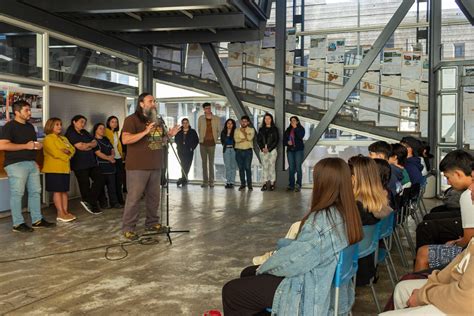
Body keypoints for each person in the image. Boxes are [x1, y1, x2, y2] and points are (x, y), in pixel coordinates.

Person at [222, 158, 363, 315]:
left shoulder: (322, 221)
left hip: (308, 290)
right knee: (248, 273)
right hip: (326, 283)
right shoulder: (348, 213)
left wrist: (265, 267)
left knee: (231, 291)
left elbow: (294, 261)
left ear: (323, 183)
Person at [121, 92, 179, 241]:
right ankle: (128, 228)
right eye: (151, 101)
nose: (154, 103)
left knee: (154, 198)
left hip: (155, 165)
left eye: (155, 101)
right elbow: (125, 140)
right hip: (137, 167)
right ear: (141, 104)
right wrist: (145, 131)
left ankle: (152, 223)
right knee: (134, 199)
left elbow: (158, 141)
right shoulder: (131, 120)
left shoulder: (157, 121)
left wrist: (169, 135)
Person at [0, 100, 56, 232]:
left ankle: (37, 220)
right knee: (17, 194)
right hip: (15, 164)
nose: (30, 112)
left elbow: (32, 144)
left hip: (31, 163)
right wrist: (26, 146)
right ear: (17, 112)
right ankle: (17, 224)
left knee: (36, 192)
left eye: (29, 109)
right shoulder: (9, 126)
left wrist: (37, 147)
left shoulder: (30, 127)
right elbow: (2, 145)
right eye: (26, 110)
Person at [414, 149, 474, 271]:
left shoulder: (468, 196)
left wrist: (454, 244)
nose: (448, 182)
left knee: (423, 253)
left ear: (458, 174)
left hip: (470, 255)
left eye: (447, 177)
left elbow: (469, 241)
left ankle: (423, 285)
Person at [380, 238, 474, 315]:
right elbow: (460, 261)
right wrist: (432, 283)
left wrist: (422, 296)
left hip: (465, 305)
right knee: (402, 288)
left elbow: (466, 299)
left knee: (425, 237)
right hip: (461, 285)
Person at [348, 155, 389, 285]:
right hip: (367, 266)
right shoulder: (379, 203)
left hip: (350, 270)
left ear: (355, 178)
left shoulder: (356, 207)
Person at [65, 115, 104, 214]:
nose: (83, 124)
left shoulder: (84, 132)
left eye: (84, 122)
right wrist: (88, 145)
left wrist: (87, 145)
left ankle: (89, 201)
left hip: (91, 162)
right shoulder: (70, 133)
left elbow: (95, 142)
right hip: (79, 164)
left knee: (100, 178)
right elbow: (80, 147)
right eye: (81, 122)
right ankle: (92, 206)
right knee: (84, 185)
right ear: (74, 122)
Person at [42, 117, 76, 222]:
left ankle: (65, 212)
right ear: (50, 126)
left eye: (60, 124)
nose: (60, 127)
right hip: (54, 169)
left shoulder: (63, 138)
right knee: (57, 191)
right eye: (57, 124)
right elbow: (55, 153)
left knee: (64, 191)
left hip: (65, 169)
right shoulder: (48, 138)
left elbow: (72, 149)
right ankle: (60, 213)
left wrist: (67, 152)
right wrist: (66, 154)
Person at [93, 123, 122, 209]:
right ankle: (103, 204)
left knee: (112, 186)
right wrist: (109, 158)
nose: (102, 130)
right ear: (95, 130)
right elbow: (98, 153)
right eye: (100, 128)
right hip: (100, 166)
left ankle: (114, 202)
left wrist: (112, 156)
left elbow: (112, 149)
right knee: (101, 187)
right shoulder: (94, 141)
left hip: (110, 165)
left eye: (103, 128)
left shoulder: (106, 139)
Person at [197, 102, 220, 188]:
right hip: (203, 143)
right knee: (204, 163)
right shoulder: (201, 118)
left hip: (212, 143)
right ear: (204, 109)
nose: (208, 110)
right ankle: (205, 181)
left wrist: (215, 138)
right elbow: (199, 129)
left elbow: (218, 130)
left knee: (211, 163)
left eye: (209, 108)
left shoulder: (216, 118)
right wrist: (202, 138)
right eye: (207, 108)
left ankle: (211, 182)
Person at [105, 116, 125, 205]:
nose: (114, 123)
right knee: (112, 182)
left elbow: (118, 146)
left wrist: (121, 155)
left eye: (116, 122)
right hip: (111, 158)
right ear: (108, 123)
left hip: (118, 158)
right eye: (112, 122)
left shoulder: (116, 132)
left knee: (119, 180)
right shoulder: (106, 132)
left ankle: (120, 199)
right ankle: (114, 201)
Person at [256, 113, 279, 191]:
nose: (267, 120)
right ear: (264, 120)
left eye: (269, 118)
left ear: (271, 119)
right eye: (265, 119)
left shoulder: (275, 129)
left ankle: (272, 184)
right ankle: (264, 184)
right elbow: (258, 140)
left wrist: (268, 149)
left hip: (272, 150)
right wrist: (262, 148)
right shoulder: (261, 129)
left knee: (272, 167)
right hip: (263, 150)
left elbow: (276, 141)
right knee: (264, 167)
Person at [174, 118, 199, 187]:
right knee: (183, 164)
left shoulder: (193, 131)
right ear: (182, 124)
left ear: (188, 123)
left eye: (186, 123)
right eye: (184, 123)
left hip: (189, 151)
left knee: (188, 165)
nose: (185, 124)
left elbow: (196, 140)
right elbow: (176, 139)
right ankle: (184, 179)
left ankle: (182, 179)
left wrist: (192, 148)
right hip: (181, 151)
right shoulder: (179, 131)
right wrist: (179, 145)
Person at [283, 116, 305, 192]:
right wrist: (287, 143)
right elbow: (284, 141)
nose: (292, 122)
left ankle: (298, 184)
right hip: (290, 150)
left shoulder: (301, 129)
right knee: (291, 168)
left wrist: (295, 128)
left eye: (294, 120)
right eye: (291, 121)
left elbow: (300, 136)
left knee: (298, 167)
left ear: (297, 121)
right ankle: (291, 185)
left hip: (298, 150)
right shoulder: (288, 130)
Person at [234, 115, 255, 191]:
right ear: (240, 122)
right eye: (242, 121)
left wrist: (244, 133)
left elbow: (250, 138)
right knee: (241, 168)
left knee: (247, 168)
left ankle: (250, 185)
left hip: (248, 151)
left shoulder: (251, 130)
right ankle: (243, 184)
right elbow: (236, 140)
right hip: (238, 151)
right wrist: (245, 138)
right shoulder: (236, 130)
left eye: (245, 121)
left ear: (248, 122)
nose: (243, 123)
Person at [220, 118, 237, 189]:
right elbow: (223, 142)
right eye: (228, 123)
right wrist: (228, 134)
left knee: (233, 166)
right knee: (227, 166)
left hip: (233, 150)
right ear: (226, 124)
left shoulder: (236, 132)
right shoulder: (223, 132)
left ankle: (232, 182)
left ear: (233, 125)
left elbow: (236, 141)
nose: (229, 125)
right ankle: (228, 182)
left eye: (231, 123)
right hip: (226, 150)